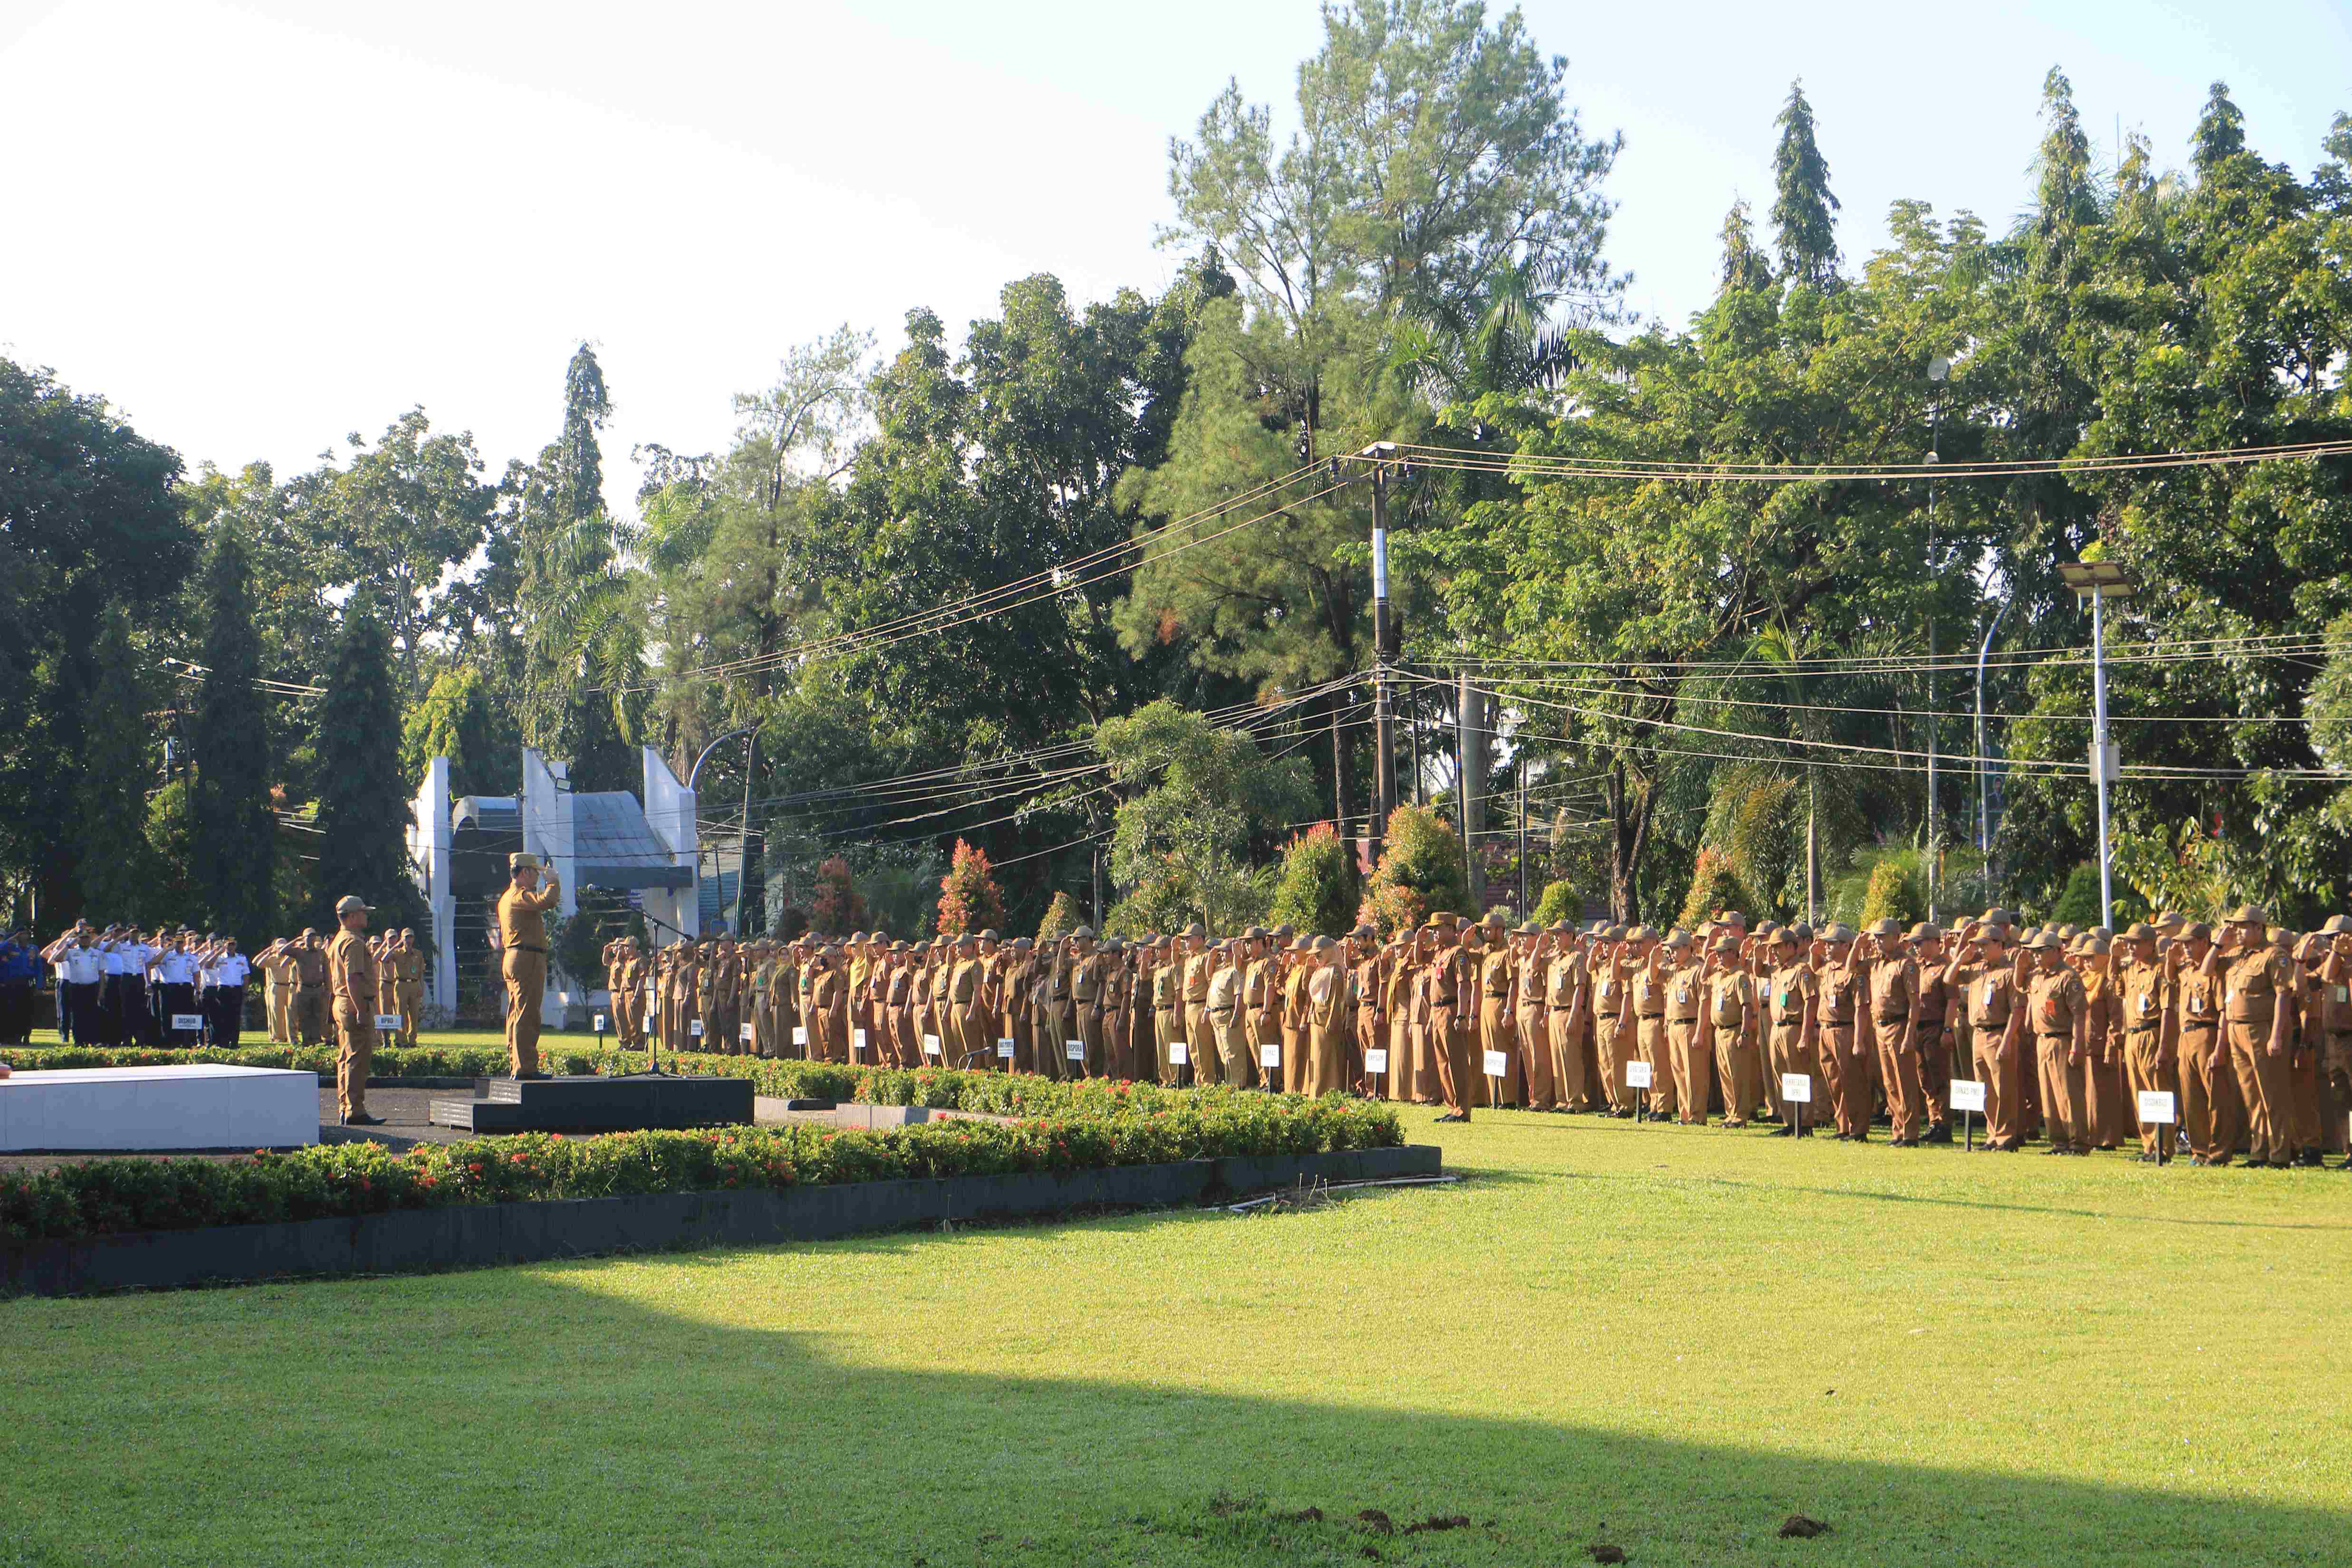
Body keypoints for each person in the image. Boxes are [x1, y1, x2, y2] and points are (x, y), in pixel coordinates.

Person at [496, 851, 562, 1079]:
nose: (537, 877)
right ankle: (526, 1068)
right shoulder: (519, 896)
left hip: (516, 957)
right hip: (526, 958)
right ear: (525, 872)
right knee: (528, 1014)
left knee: (517, 1013)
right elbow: (548, 901)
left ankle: (517, 1064)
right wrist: (553, 881)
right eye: (535, 872)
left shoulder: (506, 897)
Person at [326, 895, 382, 1126]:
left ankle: (345, 1106)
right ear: (350, 917)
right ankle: (355, 1110)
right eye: (362, 912)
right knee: (358, 1060)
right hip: (354, 1002)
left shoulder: (339, 939)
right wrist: (361, 1009)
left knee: (345, 1057)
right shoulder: (354, 942)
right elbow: (354, 978)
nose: (366, 915)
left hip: (341, 1001)